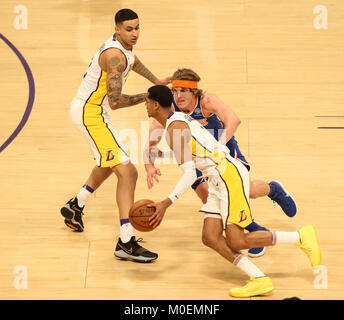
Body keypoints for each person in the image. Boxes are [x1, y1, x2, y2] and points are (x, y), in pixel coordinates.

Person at [144, 84, 321, 298]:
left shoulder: (175, 128)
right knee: (210, 237)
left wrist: (166, 202)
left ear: (155, 105)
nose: (145, 104)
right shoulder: (175, 124)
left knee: (237, 240)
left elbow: (190, 174)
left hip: (227, 175)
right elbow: (195, 155)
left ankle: (300, 237)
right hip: (219, 177)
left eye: (146, 101)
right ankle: (260, 279)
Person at [144, 68, 297, 258]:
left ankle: (274, 189)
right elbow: (150, 142)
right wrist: (149, 166)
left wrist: (217, 147)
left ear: (194, 91)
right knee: (209, 197)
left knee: (247, 191)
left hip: (221, 149)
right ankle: (256, 230)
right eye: (175, 90)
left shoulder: (207, 100)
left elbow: (234, 120)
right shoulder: (169, 110)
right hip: (196, 158)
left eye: (184, 90)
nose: (178, 95)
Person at [60, 8, 171, 263]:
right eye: (129, 29)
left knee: (109, 162)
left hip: (94, 111)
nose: (135, 34)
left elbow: (134, 61)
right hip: (92, 114)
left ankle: (76, 205)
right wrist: (151, 96)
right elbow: (116, 101)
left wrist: (156, 81)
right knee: (128, 172)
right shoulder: (114, 57)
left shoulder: (125, 49)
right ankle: (125, 241)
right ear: (117, 30)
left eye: (137, 28)